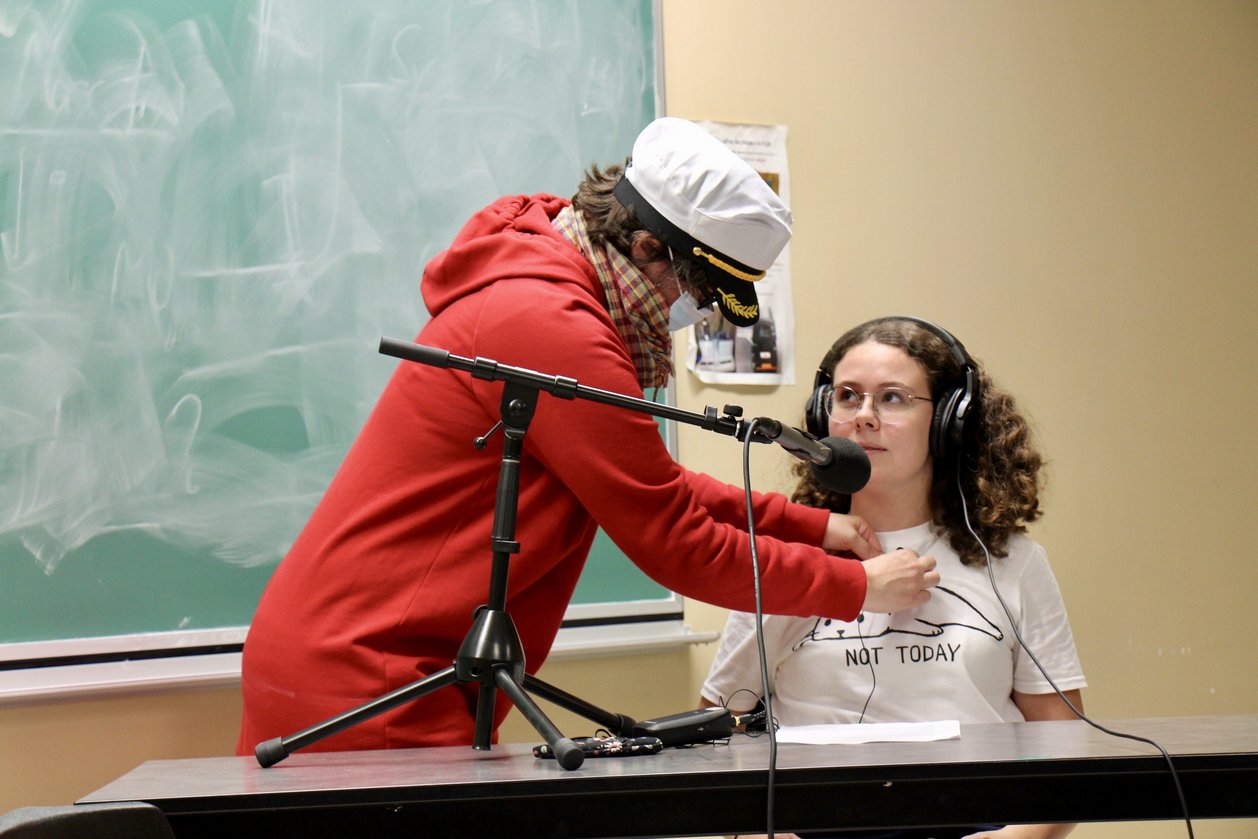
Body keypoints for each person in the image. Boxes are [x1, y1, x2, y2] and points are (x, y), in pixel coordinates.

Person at [236, 119, 939, 755]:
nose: (687, 315)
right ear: (644, 246)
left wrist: (813, 527)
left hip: (378, 655)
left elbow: (647, 481)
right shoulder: (552, 324)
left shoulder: (547, 287)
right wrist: (854, 587)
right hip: (369, 670)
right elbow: (673, 538)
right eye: (694, 292)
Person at [701, 316, 1087, 839]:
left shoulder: (1010, 561)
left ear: (949, 420)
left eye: (893, 398)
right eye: (847, 396)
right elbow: (718, 741)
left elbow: (1067, 755)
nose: (863, 417)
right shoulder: (785, 561)